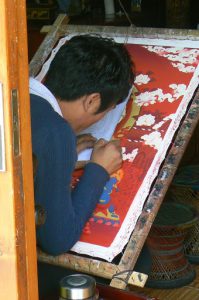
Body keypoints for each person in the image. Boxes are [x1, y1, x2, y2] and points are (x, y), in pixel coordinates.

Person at [30, 34, 134, 256]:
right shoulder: (55, 131)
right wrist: (98, 171)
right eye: (106, 112)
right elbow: (57, 240)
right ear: (92, 101)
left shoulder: (14, 95)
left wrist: (63, 159)